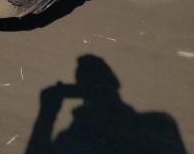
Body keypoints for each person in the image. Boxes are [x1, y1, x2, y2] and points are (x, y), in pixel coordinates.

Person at [25, 55, 187, 154]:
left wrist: (47, 114)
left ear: (80, 91)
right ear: (115, 83)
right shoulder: (159, 124)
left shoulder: (73, 141)